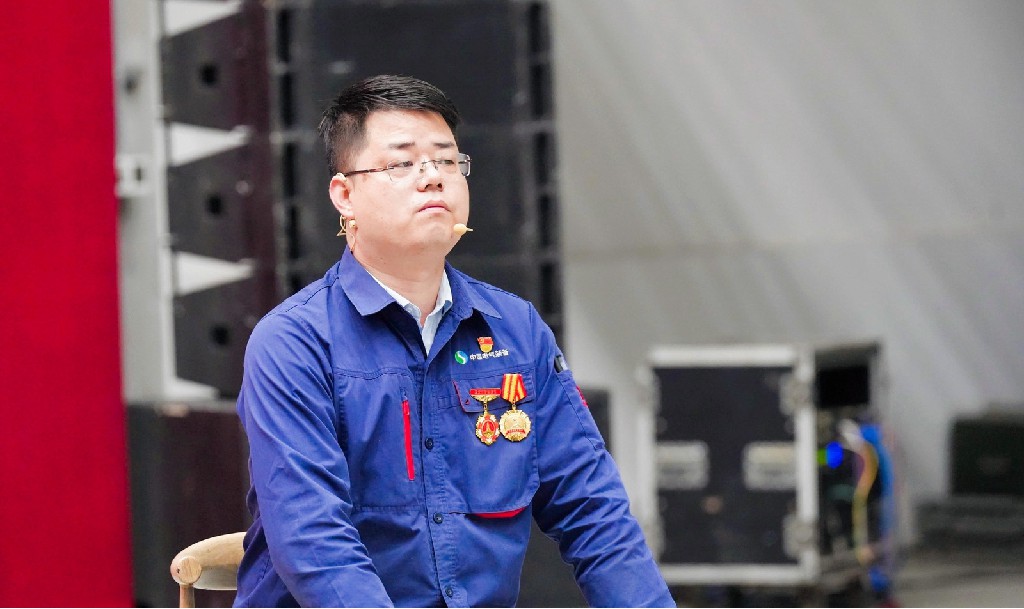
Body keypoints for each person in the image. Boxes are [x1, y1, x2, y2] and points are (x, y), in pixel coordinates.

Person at [234, 74, 674, 608]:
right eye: (402, 164)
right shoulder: (294, 342)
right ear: (344, 195)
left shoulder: (515, 328)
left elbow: (593, 510)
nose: (432, 178)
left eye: (446, 161)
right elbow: (315, 543)